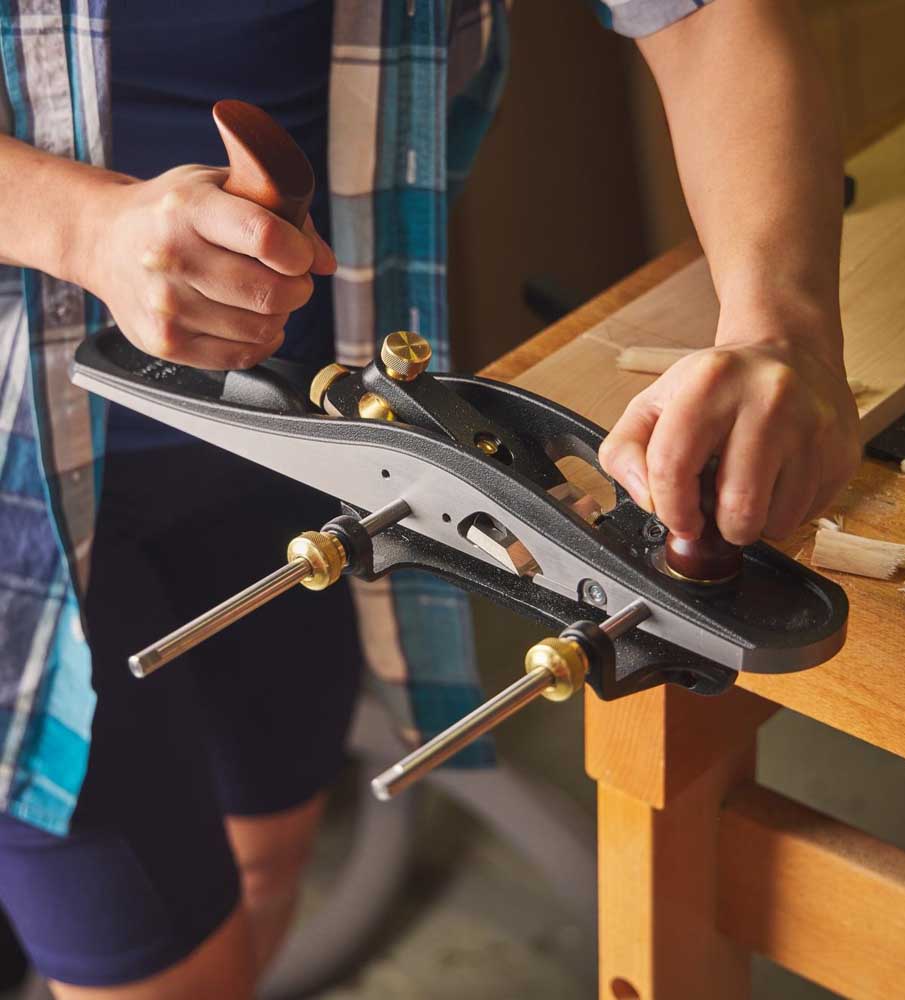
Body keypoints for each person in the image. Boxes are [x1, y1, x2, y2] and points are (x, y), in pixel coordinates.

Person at [0, 1, 859, 997]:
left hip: (299, 427)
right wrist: (82, 223)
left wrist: (781, 326)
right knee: (157, 967)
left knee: (272, 851)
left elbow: (705, 14)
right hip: (20, 482)